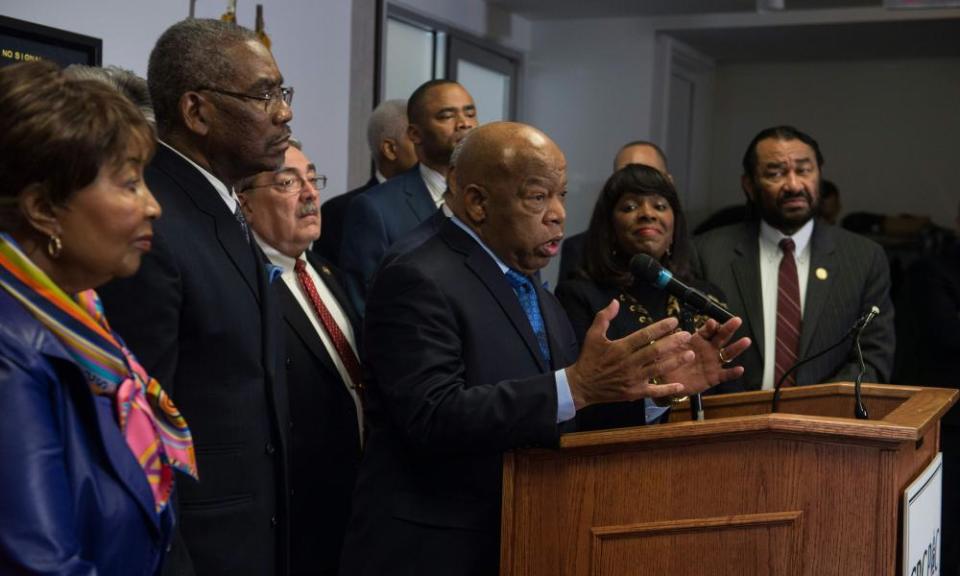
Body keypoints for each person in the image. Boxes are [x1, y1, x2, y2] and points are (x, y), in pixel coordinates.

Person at [340, 122, 720, 576]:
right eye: (538, 197)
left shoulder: (527, 278)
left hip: (524, 534)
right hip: (437, 548)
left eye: (561, 195)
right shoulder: (418, 273)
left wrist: (654, 392)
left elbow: (558, 408)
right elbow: (432, 415)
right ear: (478, 202)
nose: (558, 213)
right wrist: (576, 385)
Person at [97, 19, 294, 576]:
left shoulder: (219, 206)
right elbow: (137, 432)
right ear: (197, 112)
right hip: (193, 551)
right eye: (263, 95)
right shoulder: (151, 223)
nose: (284, 112)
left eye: (282, 93)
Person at [0, 60, 195, 574]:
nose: (153, 207)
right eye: (129, 184)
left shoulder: (81, 312)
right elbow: (38, 565)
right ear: (43, 209)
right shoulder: (10, 349)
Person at [238, 139, 363, 576]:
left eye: (313, 179)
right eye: (288, 182)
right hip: (296, 516)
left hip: (355, 505)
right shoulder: (247, 285)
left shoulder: (328, 272)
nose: (310, 193)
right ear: (245, 204)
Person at [694, 126, 895, 390]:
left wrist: (814, 409)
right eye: (776, 173)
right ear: (749, 185)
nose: (793, 185)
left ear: (819, 175)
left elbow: (872, 358)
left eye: (803, 170)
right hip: (733, 421)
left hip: (824, 422)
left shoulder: (863, 257)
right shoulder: (707, 253)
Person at [556, 164, 750, 429]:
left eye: (660, 206)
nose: (647, 214)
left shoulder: (706, 297)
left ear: (674, 227)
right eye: (630, 207)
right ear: (609, 227)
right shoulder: (580, 296)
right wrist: (657, 397)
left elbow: (734, 394)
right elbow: (581, 404)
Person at [339, 80, 478, 311]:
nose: (464, 123)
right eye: (446, 116)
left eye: (470, 113)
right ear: (414, 133)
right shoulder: (376, 209)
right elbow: (366, 307)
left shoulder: (494, 198)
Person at [314, 99, 417, 266]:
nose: (425, 146)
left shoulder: (444, 201)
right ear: (390, 149)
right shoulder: (339, 211)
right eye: (416, 137)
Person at [558, 140, 671, 281]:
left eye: (649, 173)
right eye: (625, 173)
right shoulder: (580, 250)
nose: (647, 213)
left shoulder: (693, 254)